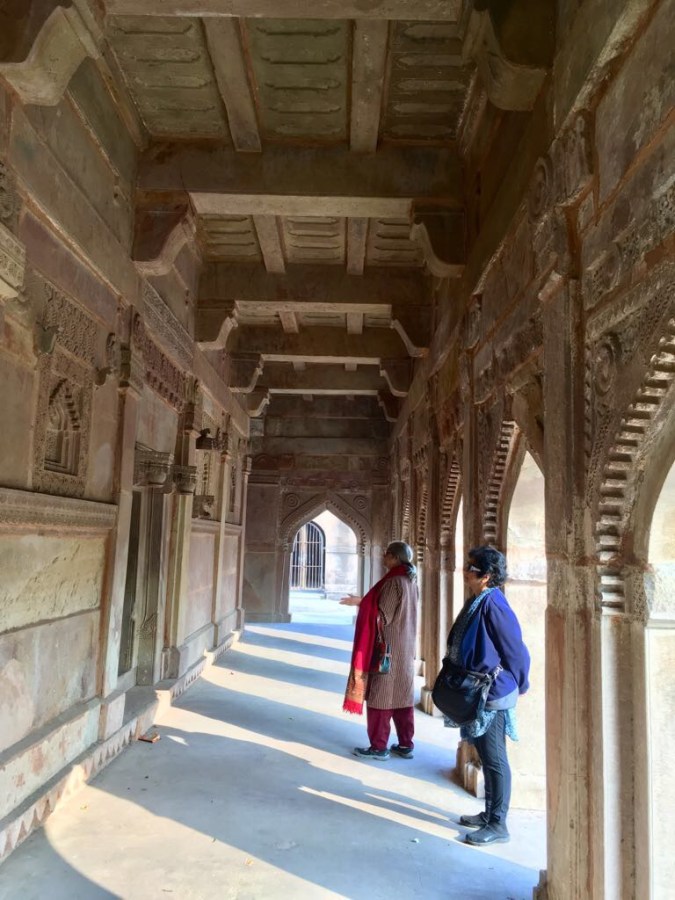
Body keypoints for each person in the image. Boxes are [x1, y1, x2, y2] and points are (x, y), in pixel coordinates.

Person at [447, 545, 530, 846]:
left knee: (494, 758)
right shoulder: (480, 600)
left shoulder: (495, 604)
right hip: (478, 690)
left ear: (487, 576)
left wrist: (521, 683)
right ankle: (488, 814)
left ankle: (498, 823)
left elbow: (516, 650)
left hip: (493, 692)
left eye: (472, 569)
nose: (466, 572)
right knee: (484, 752)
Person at [340, 541, 419, 760]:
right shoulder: (410, 580)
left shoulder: (394, 581)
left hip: (388, 649)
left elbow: (382, 617)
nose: (383, 557)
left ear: (394, 557)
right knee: (402, 696)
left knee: (381, 697)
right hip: (404, 647)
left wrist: (361, 602)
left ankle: (379, 747)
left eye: (386, 554)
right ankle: (405, 744)